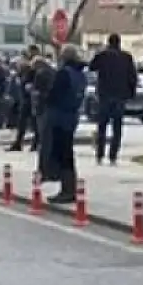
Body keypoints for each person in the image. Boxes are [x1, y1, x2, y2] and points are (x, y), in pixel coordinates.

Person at [41, 45, 88, 204]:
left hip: (60, 115)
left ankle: (67, 188)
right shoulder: (80, 74)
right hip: (72, 115)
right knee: (67, 151)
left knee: (62, 152)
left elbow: (54, 94)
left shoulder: (64, 74)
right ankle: (68, 186)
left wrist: (45, 96)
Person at [88, 34, 138, 165]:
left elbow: (91, 67)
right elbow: (132, 76)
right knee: (117, 127)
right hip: (120, 96)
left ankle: (99, 155)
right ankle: (113, 156)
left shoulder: (102, 55)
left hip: (104, 95)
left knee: (102, 126)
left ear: (108, 42)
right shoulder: (126, 57)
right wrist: (131, 93)